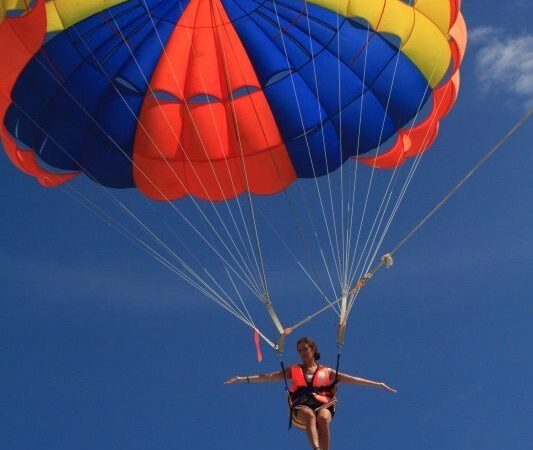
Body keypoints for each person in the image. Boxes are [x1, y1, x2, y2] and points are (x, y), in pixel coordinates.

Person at [225, 337, 396, 450]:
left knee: (322, 418)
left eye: (304, 349)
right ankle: (315, 448)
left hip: (323, 401)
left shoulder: (326, 370)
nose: (302, 352)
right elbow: (268, 377)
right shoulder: (294, 369)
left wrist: (378, 384)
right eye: (299, 350)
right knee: (309, 416)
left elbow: (352, 379)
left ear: (313, 349)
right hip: (301, 402)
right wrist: (242, 378)